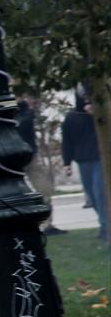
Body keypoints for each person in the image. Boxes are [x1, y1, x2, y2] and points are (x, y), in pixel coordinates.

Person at [17, 93, 65, 236]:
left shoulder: (22, 111)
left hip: (29, 157)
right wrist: (31, 107)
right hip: (20, 158)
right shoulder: (17, 113)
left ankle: (47, 224)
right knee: (21, 194)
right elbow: (23, 124)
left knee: (44, 191)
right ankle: (35, 225)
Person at [62, 94, 107, 243]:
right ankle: (104, 225)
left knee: (99, 192)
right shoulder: (71, 118)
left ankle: (106, 228)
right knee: (92, 196)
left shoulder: (98, 116)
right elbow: (66, 141)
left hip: (99, 159)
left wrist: (96, 114)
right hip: (82, 161)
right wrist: (66, 163)